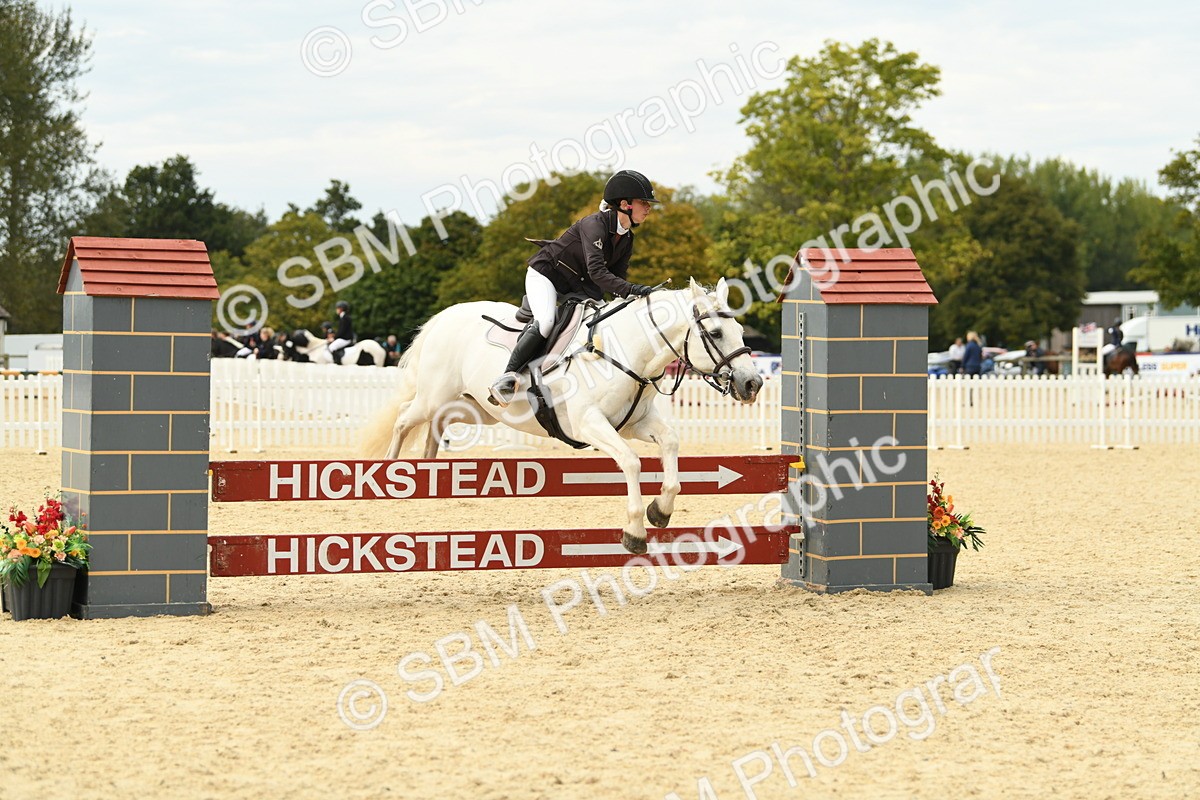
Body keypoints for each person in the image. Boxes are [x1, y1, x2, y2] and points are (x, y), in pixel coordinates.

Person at [488, 169, 661, 407]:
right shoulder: (594, 225)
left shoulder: (627, 238)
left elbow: (617, 278)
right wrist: (634, 289)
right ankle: (506, 377)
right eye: (644, 203)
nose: (649, 208)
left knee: (603, 320)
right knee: (547, 321)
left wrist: (631, 297)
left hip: (578, 286)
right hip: (547, 275)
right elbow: (598, 272)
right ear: (624, 204)